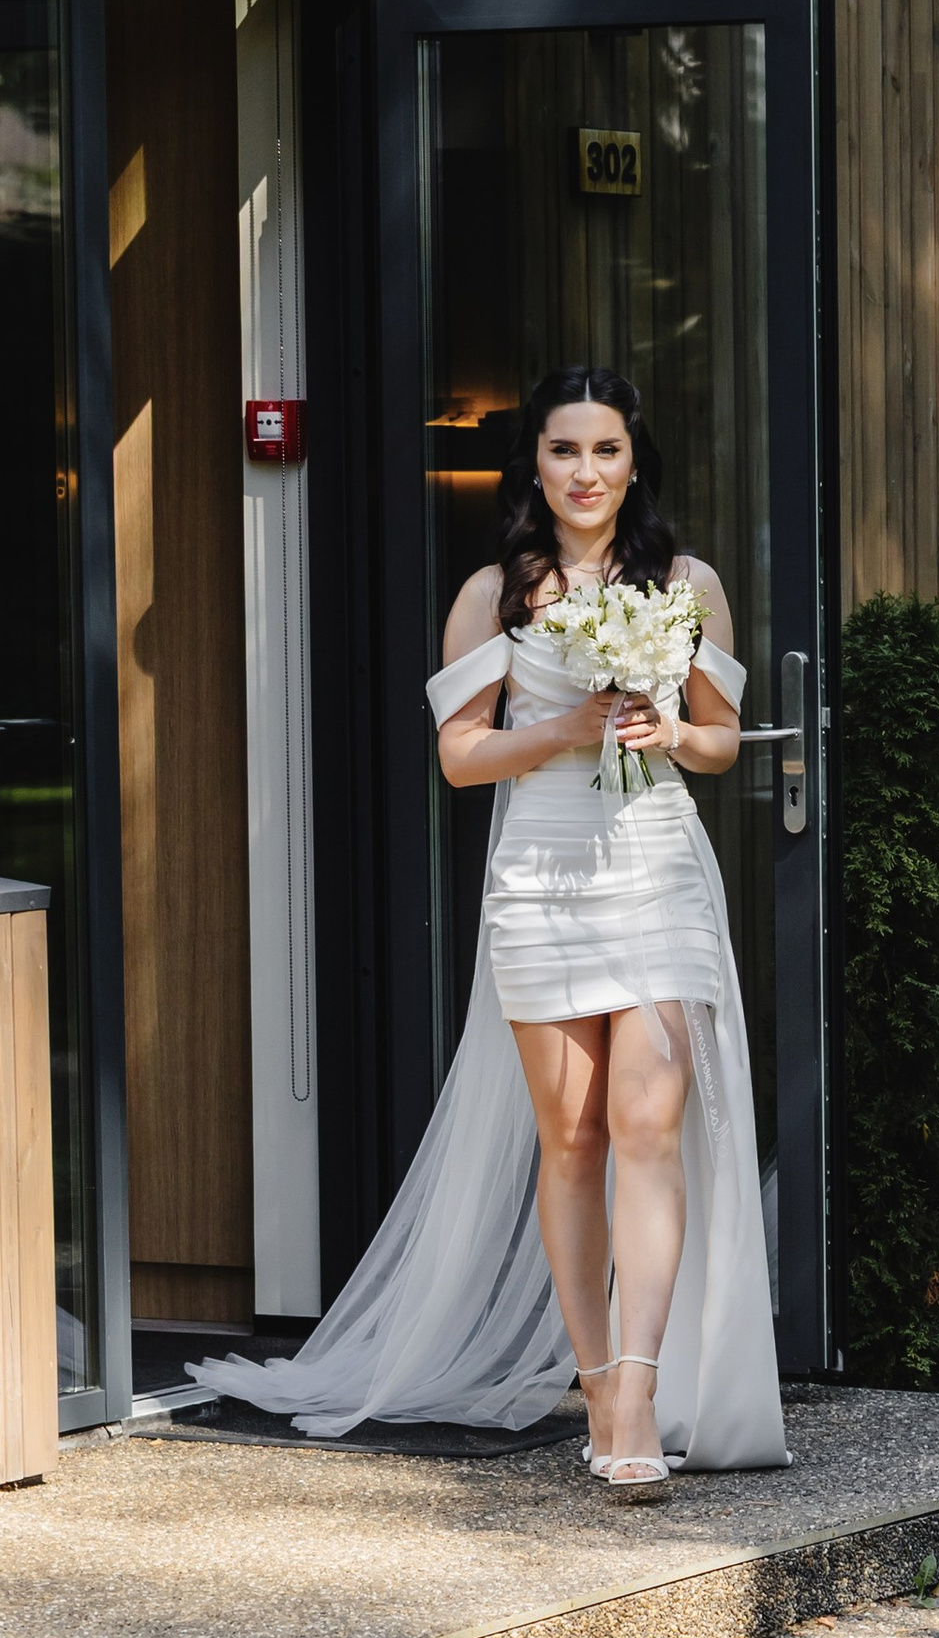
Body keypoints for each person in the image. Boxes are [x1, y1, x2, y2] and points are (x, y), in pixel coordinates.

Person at [195, 366, 785, 1476]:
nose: (586, 472)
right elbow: (461, 759)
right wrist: (567, 729)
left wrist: (668, 732)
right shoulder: (494, 593)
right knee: (572, 1140)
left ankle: (645, 1403)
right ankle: (598, 1386)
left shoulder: (686, 583)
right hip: (542, 879)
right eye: (565, 451)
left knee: (650, 1128)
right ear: (535, 465)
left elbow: (720, 740)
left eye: (605, 450)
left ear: (631, 461)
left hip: (656, 866)